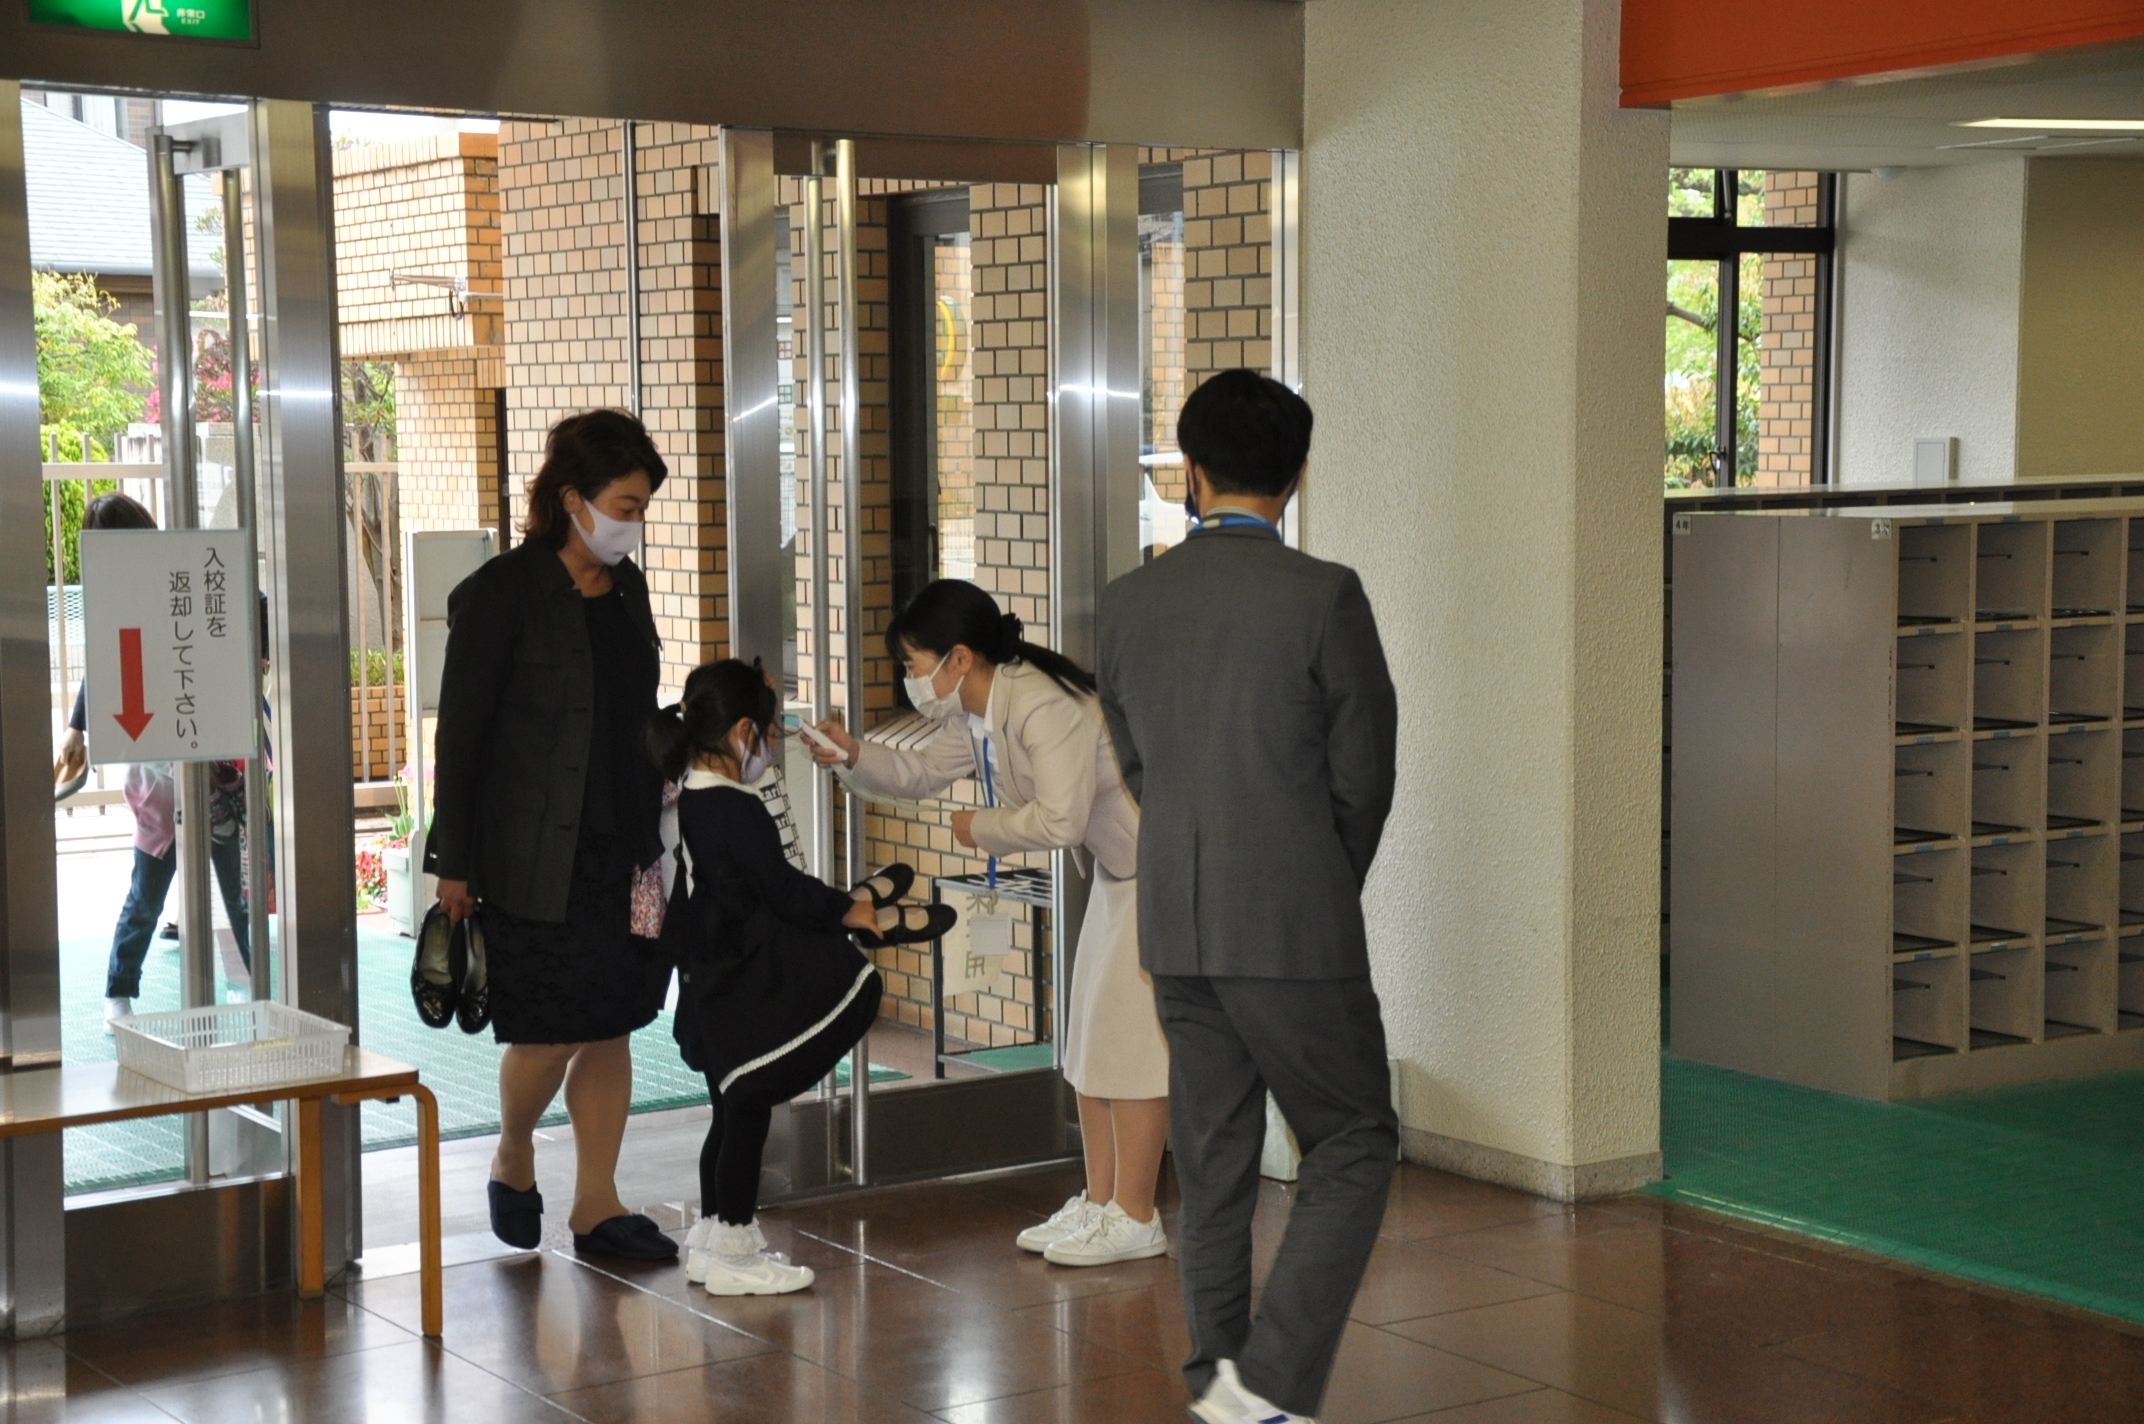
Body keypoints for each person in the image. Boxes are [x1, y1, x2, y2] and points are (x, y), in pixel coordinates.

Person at [1097, 370, 1399, 1424]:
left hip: (1177, 922)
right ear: (1296, 474)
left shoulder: (1128, 601)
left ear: (1191, 470)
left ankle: (1218, 1378)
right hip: (1293, 923)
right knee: (1352, 1138)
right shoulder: (1324, 595)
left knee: (1213, 1157)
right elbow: (1364, 776)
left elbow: (1139, 764)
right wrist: (1318, 877)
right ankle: (1267, 1385)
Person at [809, 579, 1169, 1267]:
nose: (910, 678)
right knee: (1090, 1044)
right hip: (1120, 874)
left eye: (913, 663)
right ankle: (1102, 1203)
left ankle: (1136, 1214)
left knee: (1130, 1048)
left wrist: (983, 829)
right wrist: (852, 753)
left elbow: (1060, 819)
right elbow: (919, 772)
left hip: (1155, 873)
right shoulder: (977, 711)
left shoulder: (1039, 703)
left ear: (959, 658)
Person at [426, 409, 678, 1262]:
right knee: (547, 1032)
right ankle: (512, 1152)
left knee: (612, 1022)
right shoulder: (500, 594)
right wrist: (454, 864)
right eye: (625, 505)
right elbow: (460, 738)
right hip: (534, 855)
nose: (634, 523)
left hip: (628, 847)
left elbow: (632, 710)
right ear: (572, 499)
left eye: (642, 508)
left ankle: (596, 1203)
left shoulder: (628, 589)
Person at [650, 659, 945, 1295]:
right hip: (738, 982)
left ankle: (714, 1242)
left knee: (729, 1109)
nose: (770, 749)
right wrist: (846, 910)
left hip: (709, 979)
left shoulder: (691, 794)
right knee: (748, 1109)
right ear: (742, 733)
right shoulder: (735, 808)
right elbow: (781, 888)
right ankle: (734, 1250)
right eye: (768, 733)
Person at [51, 493, 256, 1028]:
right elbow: (107, 665)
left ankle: (241, 983)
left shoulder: (173, 573)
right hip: (164, 773)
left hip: (201, 764)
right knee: (150, 895)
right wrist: (77, 725)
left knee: (215, 895)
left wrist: (77, 728)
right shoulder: (126, 591)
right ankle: (120, 991)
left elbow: (238, 610)